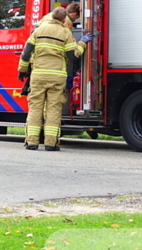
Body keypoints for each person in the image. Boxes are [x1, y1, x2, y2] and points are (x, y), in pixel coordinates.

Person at [18, 8, 91, 151]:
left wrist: (23, 69)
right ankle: (51, 144)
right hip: (57, 76)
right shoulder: (65, 32)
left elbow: (26, 53)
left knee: (35, 108)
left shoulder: (38, 30)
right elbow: (73, 56)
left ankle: (32, 142)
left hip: (38, 75)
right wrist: (82, 43)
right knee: (54, 109)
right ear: (64, 19)